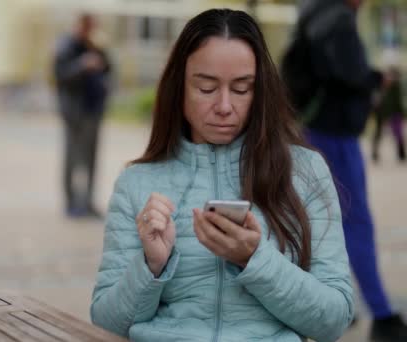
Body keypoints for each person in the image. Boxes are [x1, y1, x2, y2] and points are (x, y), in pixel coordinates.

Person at [91, 9, 353, 342]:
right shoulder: (137, 183)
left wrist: (254, 260)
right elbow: (104, 322)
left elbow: (334, 321)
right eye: (206, 88)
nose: (225, 106)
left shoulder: (305, 171)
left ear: (260, 92)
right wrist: (150, 265)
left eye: (242, 89)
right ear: (179, 87)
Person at [291, 0, 407, 340]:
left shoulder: (312, 11)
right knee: (355, 220)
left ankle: (329, 301)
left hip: (310, 128)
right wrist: (375, 78)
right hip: (334, 133)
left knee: (311, 218)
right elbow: (347, 72)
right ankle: (382, 314)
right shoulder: (338, 19)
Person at [53, 14, 112, 218]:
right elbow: (60, 76)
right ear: (78, 26)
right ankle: (71, 203)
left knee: (92, 160)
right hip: (74, 113)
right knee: (72, 160)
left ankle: (88, 202)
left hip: (94, 111)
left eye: (92, 28)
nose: (89, 31)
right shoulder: (65, 46)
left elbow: (109, 69)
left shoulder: (95, 45)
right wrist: (82, 65)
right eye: (86, 27)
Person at [372, 66, 405, 163]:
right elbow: (375, 100)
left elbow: (398, 101)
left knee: (398, 133)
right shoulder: (379, 85)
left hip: (394, 112)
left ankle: (401, 154)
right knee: (378, 133)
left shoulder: (396, 87)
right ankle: (375, 154)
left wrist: (401, 114)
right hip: (381, 112)